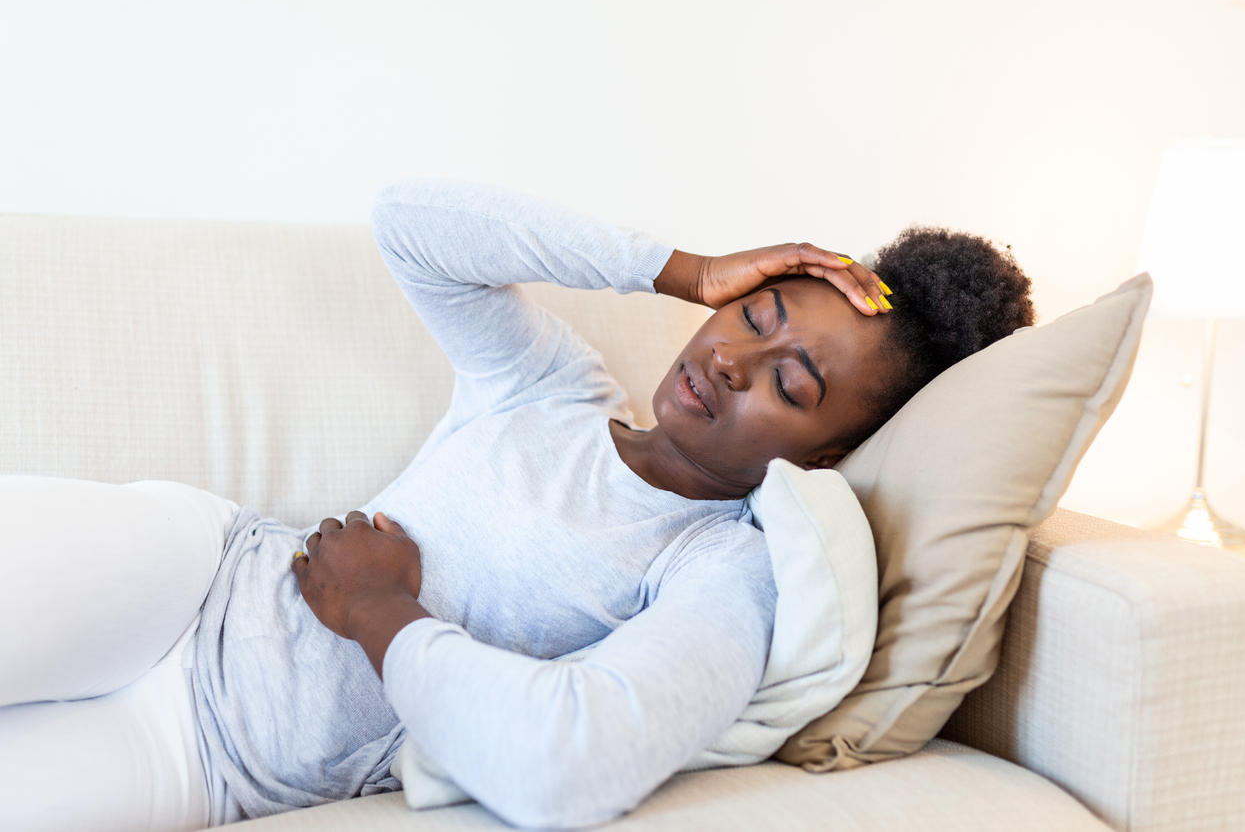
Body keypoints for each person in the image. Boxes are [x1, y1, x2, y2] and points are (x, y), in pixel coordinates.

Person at [0, 179, 1035, 832]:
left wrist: (381, 613)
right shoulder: (554, 386)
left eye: (791, 383)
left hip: (206, 761)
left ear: (833, 449)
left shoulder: (724, 569)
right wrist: (682, 267)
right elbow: (410, 224)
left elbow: (564, 768)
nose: (729, 358)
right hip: (189, 574)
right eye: (751, 312)